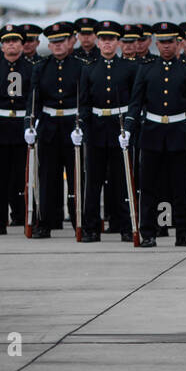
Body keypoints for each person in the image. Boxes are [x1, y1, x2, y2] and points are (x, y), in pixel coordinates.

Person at [121, 21, 186, 247]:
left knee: (181, 186)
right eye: (162, 42)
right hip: (152, 134)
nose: (166, 46)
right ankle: (148, 232)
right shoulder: (146, 68)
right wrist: (128, 128)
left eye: (170, 42)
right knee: (148, 186)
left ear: (178, 44)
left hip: (178, 133)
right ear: (156, 43)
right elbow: (135, 103)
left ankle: (183, 232)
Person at [26, 22, 88, 238]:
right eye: (54, 42)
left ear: (69, 43)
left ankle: (79, 220)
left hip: (73, 127)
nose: (58, 46)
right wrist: (30, 125)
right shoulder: (41, 68)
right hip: (50, 128)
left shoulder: (81, 67)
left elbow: (85, 101)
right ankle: (45, 222)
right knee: (47, 179)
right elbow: (34, 100)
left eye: (61, 41)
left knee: (76, 178)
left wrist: (82, 126)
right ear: (49, 45)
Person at [79, 20, 137, 242]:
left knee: (121, 182)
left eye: (111, 39)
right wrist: (82, 126)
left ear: (118, 42)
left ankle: (125, 226)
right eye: (103, 39)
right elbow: (84, 102)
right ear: (97, 41)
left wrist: (130, 127)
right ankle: (91, 228)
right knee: (93, 182)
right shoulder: (89, 68)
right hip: (96, 129)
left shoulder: (130, 68)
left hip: (119, 127)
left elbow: (134, 101)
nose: (107, 43)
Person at [0, 24, 36, 234]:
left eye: (15, 41)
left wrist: (32, 124)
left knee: (24, 177)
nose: (11, 45)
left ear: (22, 45)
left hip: (22, 129)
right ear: (2, 46)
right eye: (7, 42)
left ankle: (27, 216)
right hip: (0, 129)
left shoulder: (31, 69)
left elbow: (33, 99)